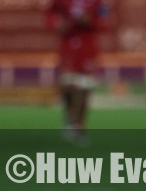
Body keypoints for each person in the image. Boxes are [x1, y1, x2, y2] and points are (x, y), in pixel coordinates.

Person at [46, 0, 108, 144]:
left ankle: (78, 125)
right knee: (67, 85)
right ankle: (70, 119)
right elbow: (51, 15)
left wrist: (89, 21)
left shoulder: (97, 2)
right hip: (68, 46)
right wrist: (58, 24)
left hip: (87, 48)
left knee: (84, 88)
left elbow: (105, 21)